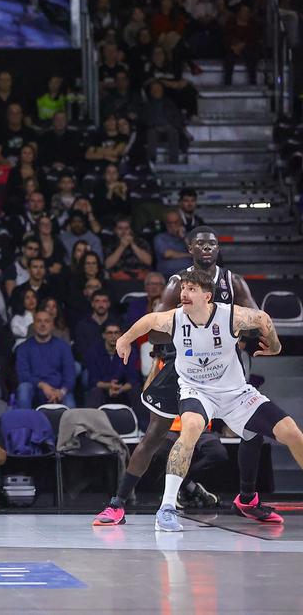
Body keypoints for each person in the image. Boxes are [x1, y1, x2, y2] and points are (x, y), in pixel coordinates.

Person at [93, 226, 274, 526]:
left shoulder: (233, 282)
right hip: (183, 366)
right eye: (201, 244)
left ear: (218, 249)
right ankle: (117, 504)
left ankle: (247, 498)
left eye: (212, 244)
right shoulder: (178, 283)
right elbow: (154, 335)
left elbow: (258, 322)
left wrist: (226, 326)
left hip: (223, 367)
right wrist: (189, 328)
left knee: (253, 430)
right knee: (153, 436)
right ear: (190, 248)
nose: (207, 248)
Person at [114, 269, 303, 532]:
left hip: (236, 393)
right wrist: (124, 339)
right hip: (197, 390)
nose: (184, 294)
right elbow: (148, 321)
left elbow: (262, 317)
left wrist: (275, 345)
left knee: (292, 432)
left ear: (207, 296)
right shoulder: (176, 318)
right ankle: (167, 508)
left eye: (191, 289)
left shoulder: (230, 316)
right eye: (183, 289)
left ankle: (246, 499)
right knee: (190, 428)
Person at [14, 310, 76, 409]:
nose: (43, 325)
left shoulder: (63, 346)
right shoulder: (23, 348)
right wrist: (42, 385)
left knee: (70, 405)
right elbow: (23, 375)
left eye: (46, 321)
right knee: (23, 388)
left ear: (52, 325)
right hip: (35, 389)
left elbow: (70, 373)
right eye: (39, 321)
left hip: (58, 390)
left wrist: (61, 392)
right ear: (33, 325)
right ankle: (25, 423)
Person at [84, 322, 140, 408]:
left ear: (121, 334)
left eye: (116, 333)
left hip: (123, 389)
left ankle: (142, 421)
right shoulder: (94, 352)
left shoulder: (129, 351)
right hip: (103, 389)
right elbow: (93, 380)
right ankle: (91, 421)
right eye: (110, 333)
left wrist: (120, 389)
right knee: (94, 392)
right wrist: (109, 386)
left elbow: (133, 380)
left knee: (136, 392)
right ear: (104, 335)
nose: (113, 336)